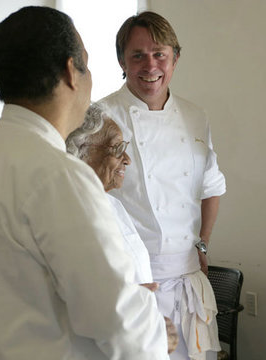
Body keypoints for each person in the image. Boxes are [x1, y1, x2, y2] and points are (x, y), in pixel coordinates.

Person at [0, 6, 170, 360]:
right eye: (88, 63)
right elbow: (117, 322)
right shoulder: (60, 175)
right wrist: (155, 327)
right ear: (71, 70)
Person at [95, 11, 225, 360]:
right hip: (132, 280)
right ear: (122, 61)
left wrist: (203, 243)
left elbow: (210, 187)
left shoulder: (195, 115)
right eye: (137, 55)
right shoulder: (100, 117)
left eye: (159, 54)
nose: (149, 65)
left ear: (175, 59)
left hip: (188, 277)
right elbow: (86, 200)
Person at [66, 104, 178, 357]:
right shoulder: (75, 214)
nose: (126, 159)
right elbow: (97, 308)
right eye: (117, 149)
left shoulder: (112, 204)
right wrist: (154, 334)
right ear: (80, 153)